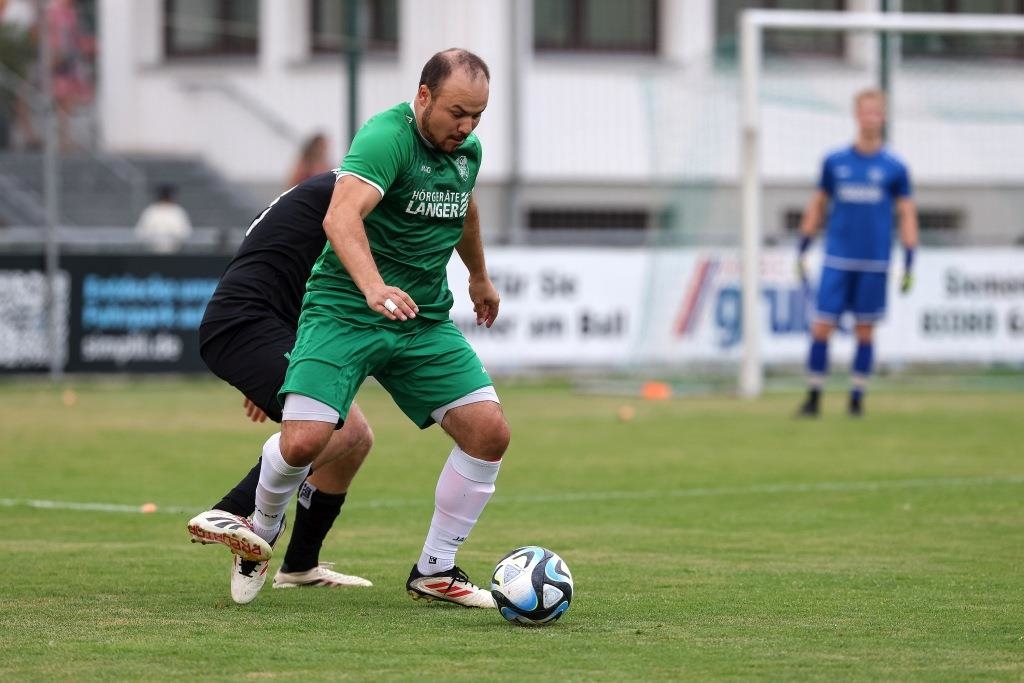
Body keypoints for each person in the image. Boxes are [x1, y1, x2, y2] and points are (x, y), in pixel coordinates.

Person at [188, 47, 505, 609]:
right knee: (324, 434)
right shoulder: (376, 155)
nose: (468, 126)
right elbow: (336, 225)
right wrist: (369, 289)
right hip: (308, 315)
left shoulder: (459, 156)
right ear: (424, 96)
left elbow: (464, 209)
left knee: (479, 433)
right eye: (458, 112)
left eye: (478, 116)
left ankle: (423, 569)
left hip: (415, 315)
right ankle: (250, 523)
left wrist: (479, 277)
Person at [188, 170, 374, 605]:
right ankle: (233, 512)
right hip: (247, 325)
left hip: (261, 329)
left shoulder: (321, 191)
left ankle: (300, 567)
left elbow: (277, 259)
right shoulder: (353, 193)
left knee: (357, 437)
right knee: (340, 429)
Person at [795, 88, 919, 417]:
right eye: (865, 112)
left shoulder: (894, 167)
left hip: (875, 260)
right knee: (822, 326)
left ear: (883, 117)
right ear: (856, 115)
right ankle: (813, 397)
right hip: (837, 256)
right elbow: (817, 203)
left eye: (876, 112)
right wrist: (803, 245)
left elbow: (907, 212)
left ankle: (856, 399)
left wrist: (910, 257)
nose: (870, 118)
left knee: (866, 330)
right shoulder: (835, 162)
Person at [134, 184, 193, 254]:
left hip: (174, 253)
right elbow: (140, 233)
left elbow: (186, 233)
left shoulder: (177, 211)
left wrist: (172, 239)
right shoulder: (150, 211)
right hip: (152, 254)